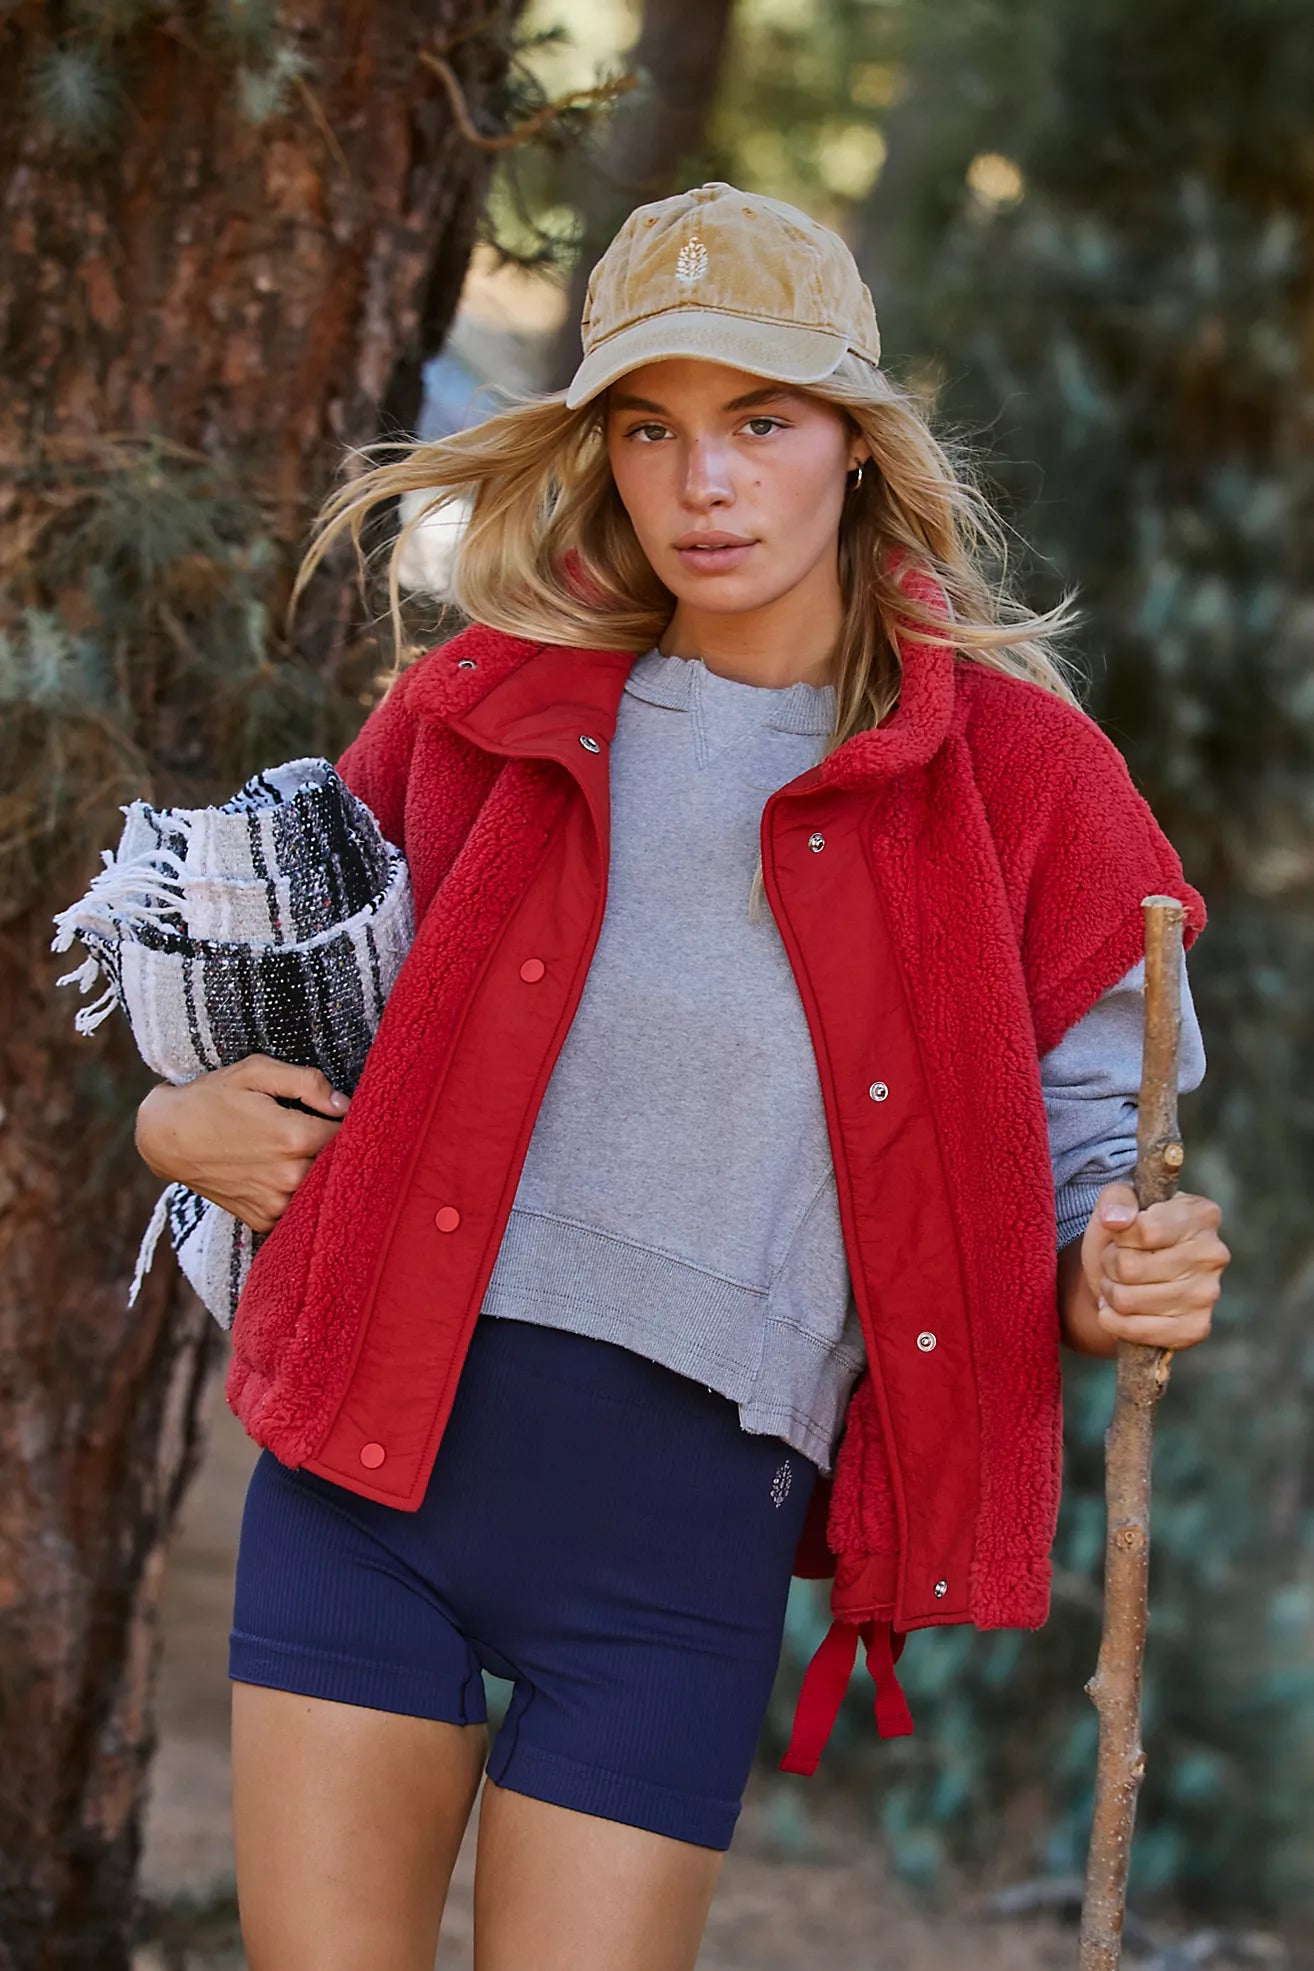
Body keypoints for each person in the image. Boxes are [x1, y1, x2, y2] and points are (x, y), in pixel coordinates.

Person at [134, 182, 1231, 1971]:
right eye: (651, 430)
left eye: (759, 424)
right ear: (602, 455)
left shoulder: (1021, 786)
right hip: (371, 1478)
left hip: (682, 1545)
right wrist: (168, 1123)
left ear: (856, 449)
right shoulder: (477, 706)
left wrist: (1119, 1270)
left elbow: (1095, 1167)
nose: (702, 483)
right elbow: (285, 1041)